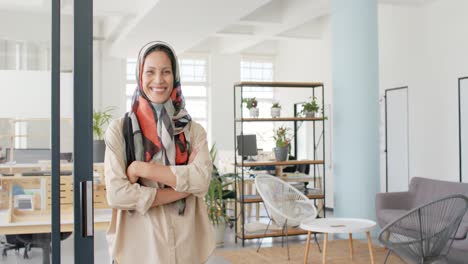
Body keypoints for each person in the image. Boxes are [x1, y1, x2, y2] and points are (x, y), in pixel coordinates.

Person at [104, 41, 214, 264]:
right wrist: (183, 189)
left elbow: (201, 181)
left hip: (187, 249)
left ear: (175, 75)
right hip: (139, 251)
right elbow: (118, 194)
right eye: (150, 72)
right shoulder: (120, 130)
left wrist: (142, 168)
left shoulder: (192, 131)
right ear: (139, 75)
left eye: (166, 71)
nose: (158, 80)